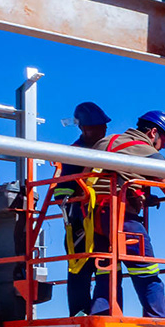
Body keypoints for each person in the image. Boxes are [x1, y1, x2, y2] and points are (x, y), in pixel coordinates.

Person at [86, 110, 165, 318]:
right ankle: (160, 320)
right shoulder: (145, 150)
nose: (162, 146)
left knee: (105, 272)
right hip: (123, 220)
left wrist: (144, 194)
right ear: (153, 132)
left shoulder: (105, 142)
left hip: (95, 220)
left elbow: (108, 176)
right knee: (146, 271)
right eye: (163, 141)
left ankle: (102, 316)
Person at [55, 101, 110, 315]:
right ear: (83, 128)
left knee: (105, 262)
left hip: (101, 217)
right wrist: (74, 208)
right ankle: (79, 312)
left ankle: (101, 311)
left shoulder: (107, 149)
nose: (103, 130)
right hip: (79, 219)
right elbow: (63, 189)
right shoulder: (75, 153)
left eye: (104, 125)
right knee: (79, 265)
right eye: (98, 126)